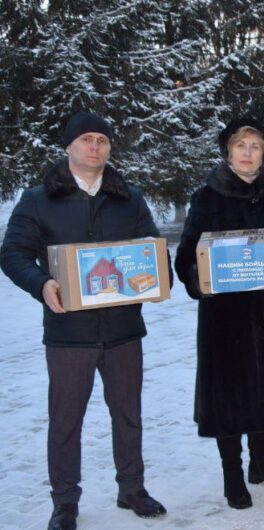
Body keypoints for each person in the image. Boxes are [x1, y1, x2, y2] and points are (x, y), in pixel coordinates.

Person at [0, 112, 168, 530]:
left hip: (124, 330)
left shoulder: (129, 198)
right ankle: (65, 502)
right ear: (69, 146)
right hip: (68, 333)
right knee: (66, 420)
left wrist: (152, 264)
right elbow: (13, 253)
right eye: (87, 140)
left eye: (103, 140)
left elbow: (151, 249)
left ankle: (132, 490)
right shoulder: (38, 200)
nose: (96, 147)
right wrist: (42, 284)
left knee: (128, 413)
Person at [174, 117, 264, 510]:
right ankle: (232, 474)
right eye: (240, 145)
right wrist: (200, 277)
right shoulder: (207, 197)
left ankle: (262, 463)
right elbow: (186, 255)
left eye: (255, 146)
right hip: (226, 317)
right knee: (230, 397)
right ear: (227, 151)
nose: (248, 153)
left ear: (263, 153)